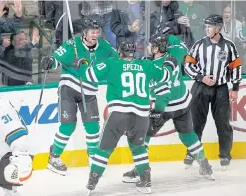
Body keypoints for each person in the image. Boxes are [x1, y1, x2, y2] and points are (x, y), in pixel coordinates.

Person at [73, 41, 175, 195]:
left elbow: (89, 75)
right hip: (141, 117)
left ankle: (92, 182)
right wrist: (169, 66)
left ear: (120, 53)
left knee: (104, 149)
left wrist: (81, 65)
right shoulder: (145, 65)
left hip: (119, 115)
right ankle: (146, 181)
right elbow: (165, 76)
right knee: (138, 148)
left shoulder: (112, 63)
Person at [121, 34, 214, 184]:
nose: (149, 47)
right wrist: (167, 36)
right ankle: (205, 166)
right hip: (183, 104)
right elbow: (182, 44)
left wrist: (157, 111)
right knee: (187, 135)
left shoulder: (154, 67)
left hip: (163, 106)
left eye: (152, 45)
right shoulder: (175, 52)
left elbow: (159, 92)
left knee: (143, 137)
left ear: (157, 48)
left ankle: (140, 170)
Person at [45, 19, 118, 175]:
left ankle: (92, 159)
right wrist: (49, 62)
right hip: (69, 87)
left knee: (93, 126)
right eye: (92, 32)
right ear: (85, 32)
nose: (96, 35)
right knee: (68, 125)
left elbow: (117, 59)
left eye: (97, 32)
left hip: (90, 90)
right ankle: (54, 157)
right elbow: (56, 60)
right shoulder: (72, 44)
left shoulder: (104, 46)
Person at [184, 14, 242, 170]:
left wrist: (235, 88)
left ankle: (224, 155)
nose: (207, 29)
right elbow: (188, 65)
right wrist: (201, 77)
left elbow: (235, 67)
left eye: (210, 26)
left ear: (218, 28)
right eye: (206, 26)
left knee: (223, 124)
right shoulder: (198, 45)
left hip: (220, 90)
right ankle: (191, 153)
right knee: (196, 124)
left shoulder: (229, 46)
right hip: (200, 88)